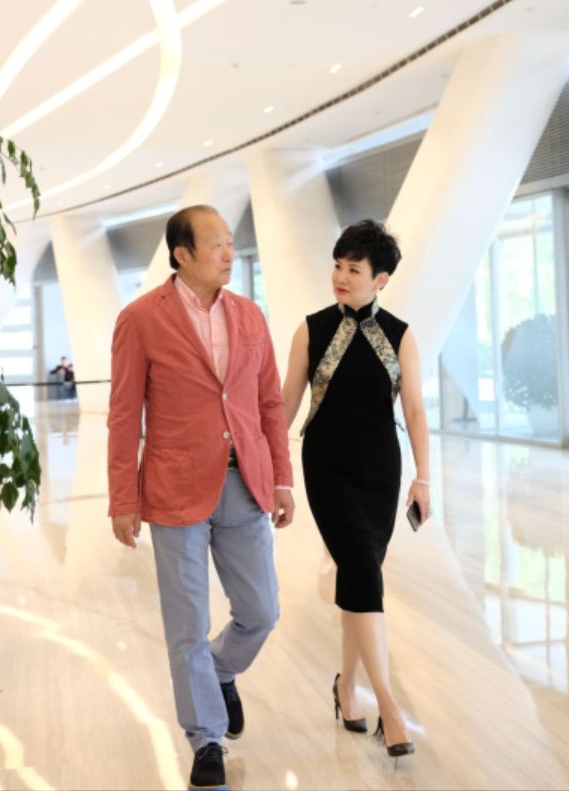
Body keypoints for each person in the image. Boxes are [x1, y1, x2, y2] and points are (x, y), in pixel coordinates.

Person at [107, 205, 294, 791]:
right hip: (174, 488)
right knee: (187, 624)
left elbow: (268, 403)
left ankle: (218, 672)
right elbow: (124, 415)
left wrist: (282, 477)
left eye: (230, 243)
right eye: (216, 244)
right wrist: (122, 497)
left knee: (261, 611)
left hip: (246, 484)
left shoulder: (250, 315)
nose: (228, 254)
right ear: (182, 254)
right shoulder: (140, 318)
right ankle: (205, 739)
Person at [282, 219, 431, 760]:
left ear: (380, 279)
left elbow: (414, 409)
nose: (340, 277)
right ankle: (389, 705)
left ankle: (347, 689)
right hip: (326, 467)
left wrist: (423, 477)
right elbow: (285, 405)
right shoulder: (310, 330)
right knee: (364, 572)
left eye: (354, 269)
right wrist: (273, 474)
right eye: (337, 266)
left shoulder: (400, 335)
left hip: (379, 471)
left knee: (359, 576)